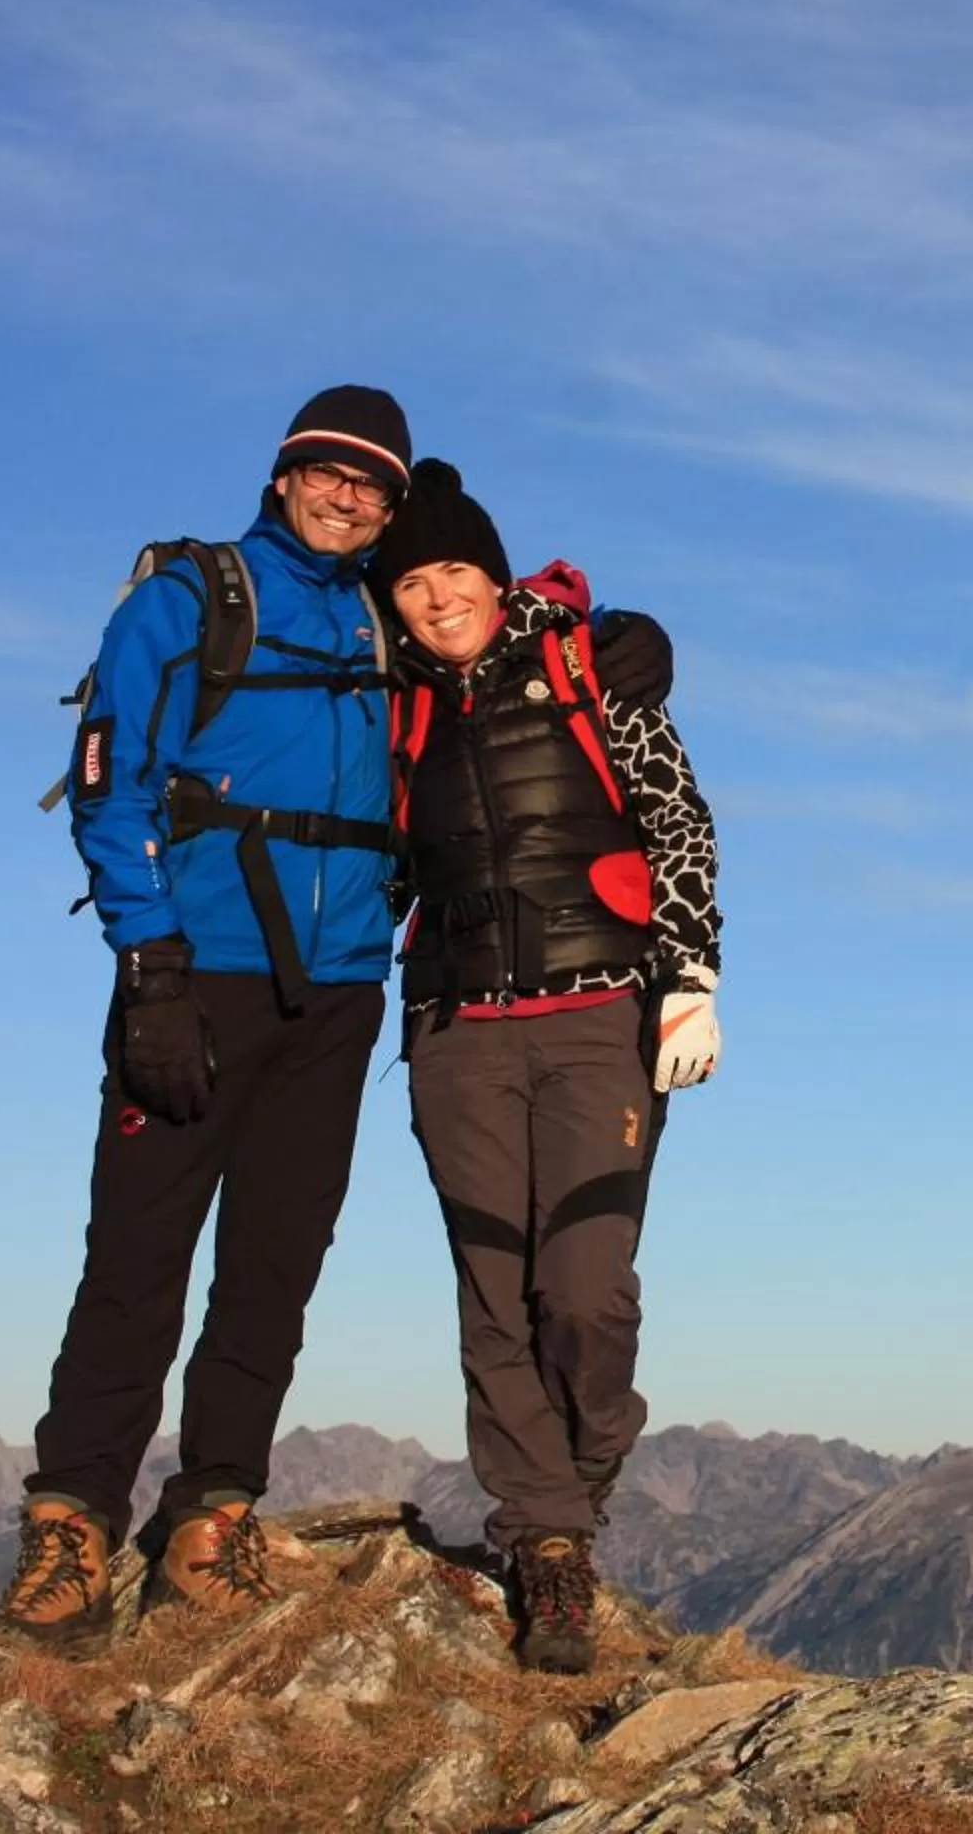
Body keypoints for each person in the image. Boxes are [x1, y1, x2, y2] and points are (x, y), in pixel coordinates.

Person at [0, 386, 416, 1655]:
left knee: (274, 1269)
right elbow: (109, 786)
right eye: (331, 474)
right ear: (285, 475)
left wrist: (616, 641)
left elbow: (486, 621)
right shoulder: (189, 598)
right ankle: (69, 1527)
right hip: (199, 977)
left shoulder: (383, 618)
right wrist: (151, 966)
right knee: (136, 1257)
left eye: (374, 486)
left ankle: (208, 1518)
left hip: (338, 992)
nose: (350, 498)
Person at [371, 465, 721, 1675]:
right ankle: (549, 1548)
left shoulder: (588, 664)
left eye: (450, 571)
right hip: (456, 1028)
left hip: (597, 1018)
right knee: (493, 1294)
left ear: (492, 571)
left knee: (582, 1288)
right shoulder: (394, 704)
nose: (433, 597)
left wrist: (692, 977)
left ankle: (582, 1466)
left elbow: (676, 815)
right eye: (409, 581)